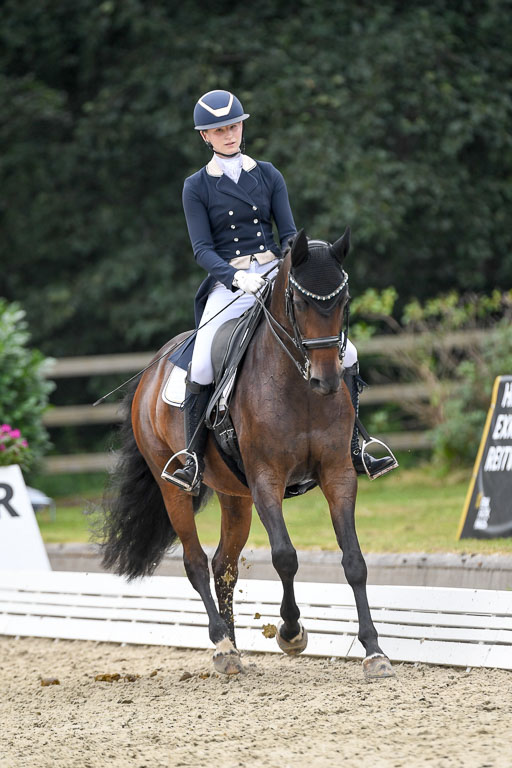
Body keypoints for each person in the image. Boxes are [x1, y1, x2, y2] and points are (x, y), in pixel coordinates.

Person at [162, 89, 396, 493]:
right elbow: (202, 249)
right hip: (229, 283)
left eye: (234, 126)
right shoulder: (196, 186)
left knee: (350, 351)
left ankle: (357, 446)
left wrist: (287, 270)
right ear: (206, 137)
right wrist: (236, 278)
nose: (229, 135)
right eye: (219, 130)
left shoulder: (268, 174)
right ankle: (194, 462)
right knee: (200, 363)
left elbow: (289, 234)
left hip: (275, 277)